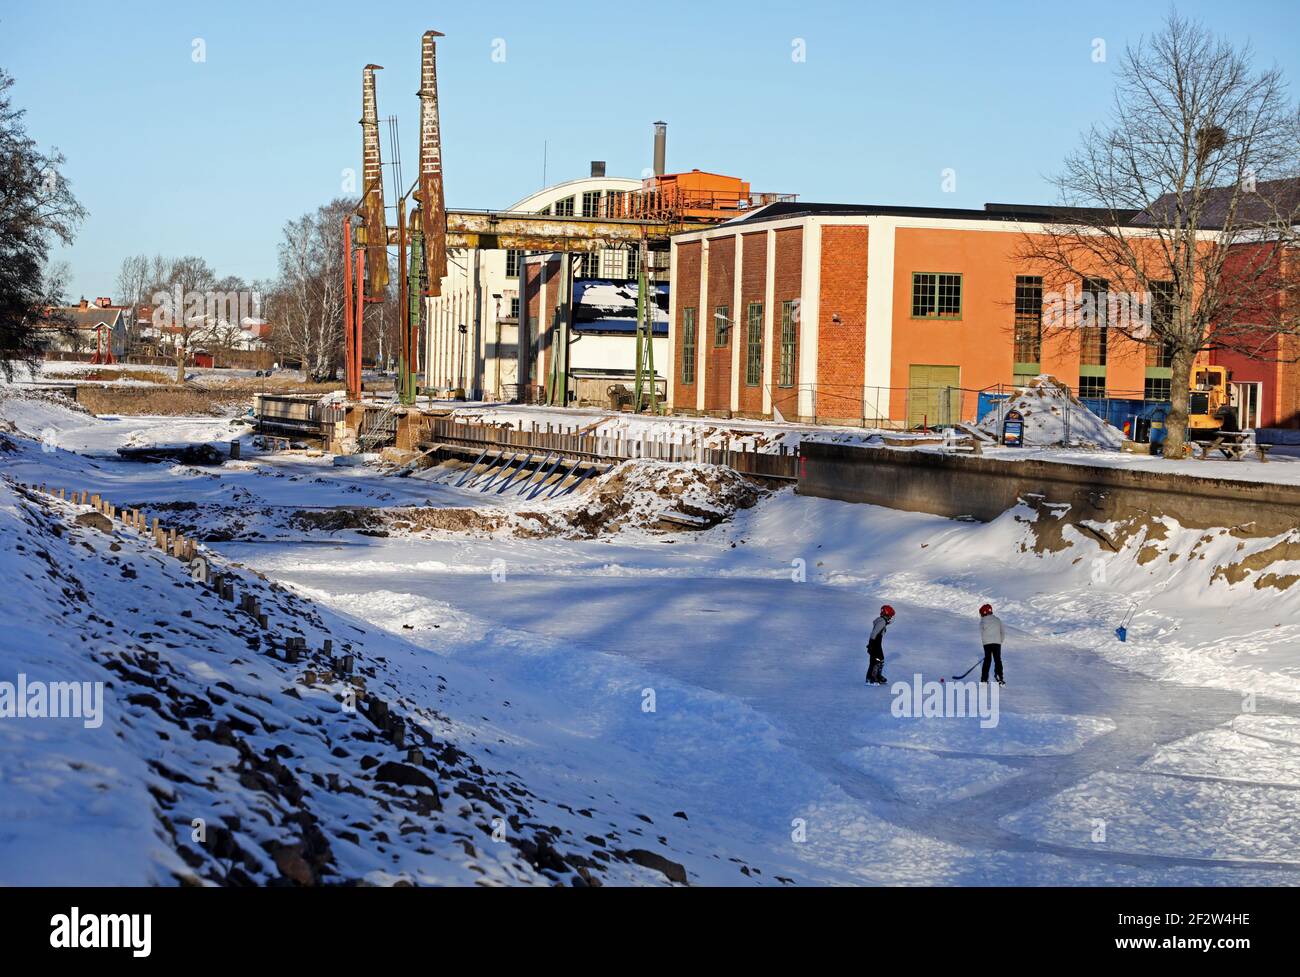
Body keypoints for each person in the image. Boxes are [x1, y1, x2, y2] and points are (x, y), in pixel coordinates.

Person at [866, 605, 895, 685]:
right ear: (887, 614)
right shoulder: (882, 621)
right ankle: (872, 678)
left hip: (876, 643)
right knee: (876, 660)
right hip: (875, 643)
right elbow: (874, 633)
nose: (891, 618)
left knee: (880, 659)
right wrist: (870, 644)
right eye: (890, 616)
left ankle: (876, 676)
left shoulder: (883, 621)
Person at [979, 603, 1005, 685]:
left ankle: (984, 679)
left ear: (984, 612)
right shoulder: (998, 620)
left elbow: (982, 633)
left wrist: (984, 642)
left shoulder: (982, 621)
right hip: (997, 643)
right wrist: (1000, 641)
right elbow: (1002, 632)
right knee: (997, 659)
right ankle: (1000, 677)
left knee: (987, 660)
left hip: (987, 644)